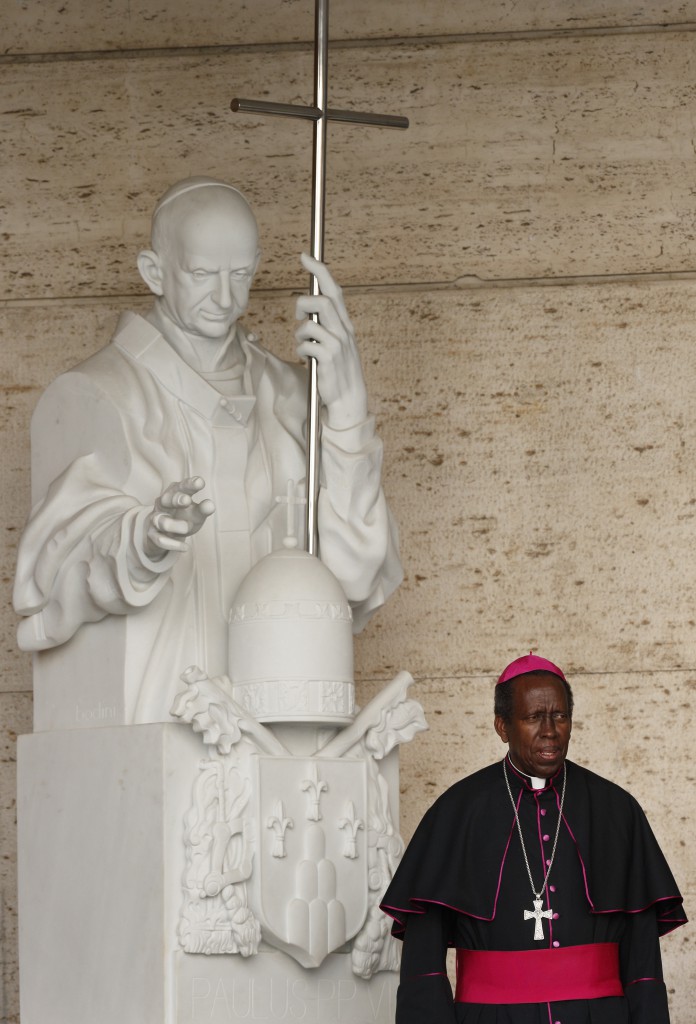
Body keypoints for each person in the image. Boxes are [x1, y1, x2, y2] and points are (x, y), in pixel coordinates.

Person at [13, 176, 402, 723]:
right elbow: (52, 570)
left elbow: (357, 576)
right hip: (161, 719)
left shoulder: (295, 396)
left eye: (240, 275)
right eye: (202, 275)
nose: (225, 298)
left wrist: (348, 414)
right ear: (154, 272)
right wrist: (143, 540)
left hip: (283, 720)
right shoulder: (96, 394)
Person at [380, 653, 686, 1023]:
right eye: (532, 717)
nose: (550, 730)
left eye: (560, 716)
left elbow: (644, 967)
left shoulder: (616, 810)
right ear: (502, 726)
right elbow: (423, 973)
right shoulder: (456, 812)